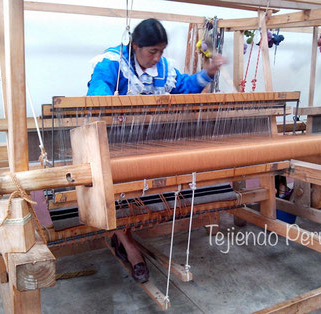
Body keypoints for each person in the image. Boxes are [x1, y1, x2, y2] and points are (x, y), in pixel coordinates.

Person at [87, 18, 225, 283]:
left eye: (161, 51)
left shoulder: (162, 68)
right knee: (113, 192)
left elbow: (183, 88)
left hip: (147, 144)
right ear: (135, 46)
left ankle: (124, 233)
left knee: (145, 187)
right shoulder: (112, 64)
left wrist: (207, 73)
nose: (158, 57)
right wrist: (112, 108)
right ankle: (130, 249)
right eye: (153, 51)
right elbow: (97, 96)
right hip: (113, 145)